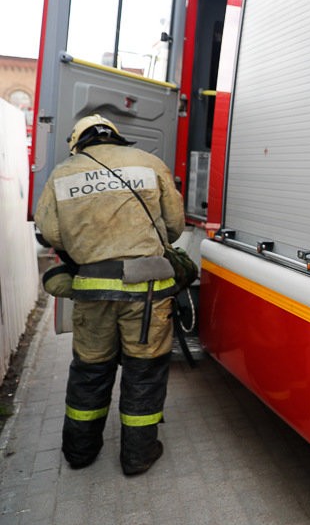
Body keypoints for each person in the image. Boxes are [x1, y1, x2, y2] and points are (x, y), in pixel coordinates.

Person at [34, 114, 184, 475]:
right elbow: (175, 226)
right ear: (116, 138)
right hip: (148, 294)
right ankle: (138, 456)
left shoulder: (62, 173)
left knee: (90, 371)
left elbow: (49, 233)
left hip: (93, 292)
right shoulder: (150, 164)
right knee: (144, 372)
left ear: (78, 142)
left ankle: (80, 452)